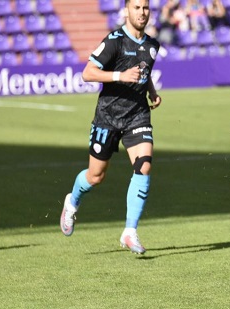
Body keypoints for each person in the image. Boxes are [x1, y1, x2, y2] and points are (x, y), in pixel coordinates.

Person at [60, 0, 161, 255]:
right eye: (136, 8)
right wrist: (119, 75)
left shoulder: (152, 45)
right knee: (96, 176)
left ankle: (129, 231)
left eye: (145, 8)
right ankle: (72, 201)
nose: (142, 12)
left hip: (137, 115)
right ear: (127, 11)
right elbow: (88, 72)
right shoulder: (114, 41)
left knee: (144, 164)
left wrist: (151, 91)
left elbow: (143, 72)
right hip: (107, 117)